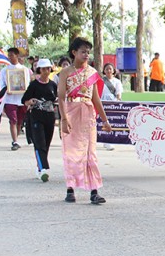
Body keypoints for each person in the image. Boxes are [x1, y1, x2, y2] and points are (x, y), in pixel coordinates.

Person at [57, 37, 112, 205]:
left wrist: (105, 120)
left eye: (88, 52)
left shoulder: (92, 73)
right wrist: (63, 119)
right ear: (74, 52)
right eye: (83, 52)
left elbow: (96, 99)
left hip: (88, 114)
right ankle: (70, 188)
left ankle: (94, 191)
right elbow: (61, 97)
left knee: (90, 153)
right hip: (71, 112)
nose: (86, 55)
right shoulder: (65, 73)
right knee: (71, 152)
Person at [22, 59, 57, 182]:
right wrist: (30, 102)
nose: (46, 71)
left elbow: (56, 99)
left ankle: (39, 166)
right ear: (39, 70)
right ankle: (43, 169)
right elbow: (24, 100)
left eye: (48, 68)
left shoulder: (53, 85)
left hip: (49, 117)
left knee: (46, 143)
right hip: (36, 116)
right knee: (39, 142)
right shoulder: (34, 85)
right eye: (43, 69)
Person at [0, 47, 32, 151]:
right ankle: (15, 141)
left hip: (21, 99)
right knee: (13, 120)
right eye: (8, 55)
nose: (9, 57)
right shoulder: (5, 70)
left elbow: (27, 84)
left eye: (11, 55)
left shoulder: (24, 70)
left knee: (19, 121)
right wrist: (6, 89)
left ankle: (16, 139)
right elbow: (2, 84)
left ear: (17, 55)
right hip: (10, 99)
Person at [100, 63, 122, 151]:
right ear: (104, 71)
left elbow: (119, 94)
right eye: (107, 69)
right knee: (104, 121)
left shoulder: (117, 82)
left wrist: (116, 102)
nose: (108, 71)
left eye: (110, 69)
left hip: (113, 104)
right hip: (103, 103)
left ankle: (110, 140)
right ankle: (105, 140)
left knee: (112, 122)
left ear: (113, 71)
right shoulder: (101, 81)